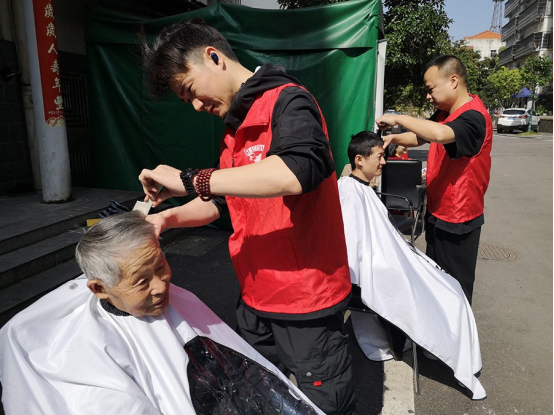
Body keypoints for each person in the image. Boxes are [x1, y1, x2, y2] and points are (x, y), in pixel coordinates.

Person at [138, 21, 356, 414]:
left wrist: (191, 179)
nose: (196, 106)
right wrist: (165, 220)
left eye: (190, 90)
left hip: (305, 301)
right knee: (260, 395)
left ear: (214, 57)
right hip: (255, 296)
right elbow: (225, 202)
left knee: (325, 404)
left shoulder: (288, 100)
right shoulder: (234, 131)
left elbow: (297, 171)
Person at [0, 211, 325, 415]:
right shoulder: (83, 354)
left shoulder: (181, 301)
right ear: (99, 288)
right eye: (142, 281)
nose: (161, 286)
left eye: (160, 266)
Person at [337, 131, 487, 400]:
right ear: (359, 160)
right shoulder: (349, 191)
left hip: (390, 261)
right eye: (379, 157)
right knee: (442, 296)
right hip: (378, 269)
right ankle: (445, 346)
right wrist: (393, 266)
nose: (384, 162)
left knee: (451, 288)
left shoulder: (363, 188)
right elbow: (353, 249)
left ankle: (451, 346)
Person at [375, 55, 493, 305]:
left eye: (431, 89)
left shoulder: (474, 117)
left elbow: (440, 135)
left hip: (458, 218)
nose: (428, 96)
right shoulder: (444, 113)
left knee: (455, 292)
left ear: (453, 81)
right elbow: (421, 136)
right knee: (437, 283)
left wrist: (399, 118)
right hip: (438, 211)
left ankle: (457, 330)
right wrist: (393, 138)